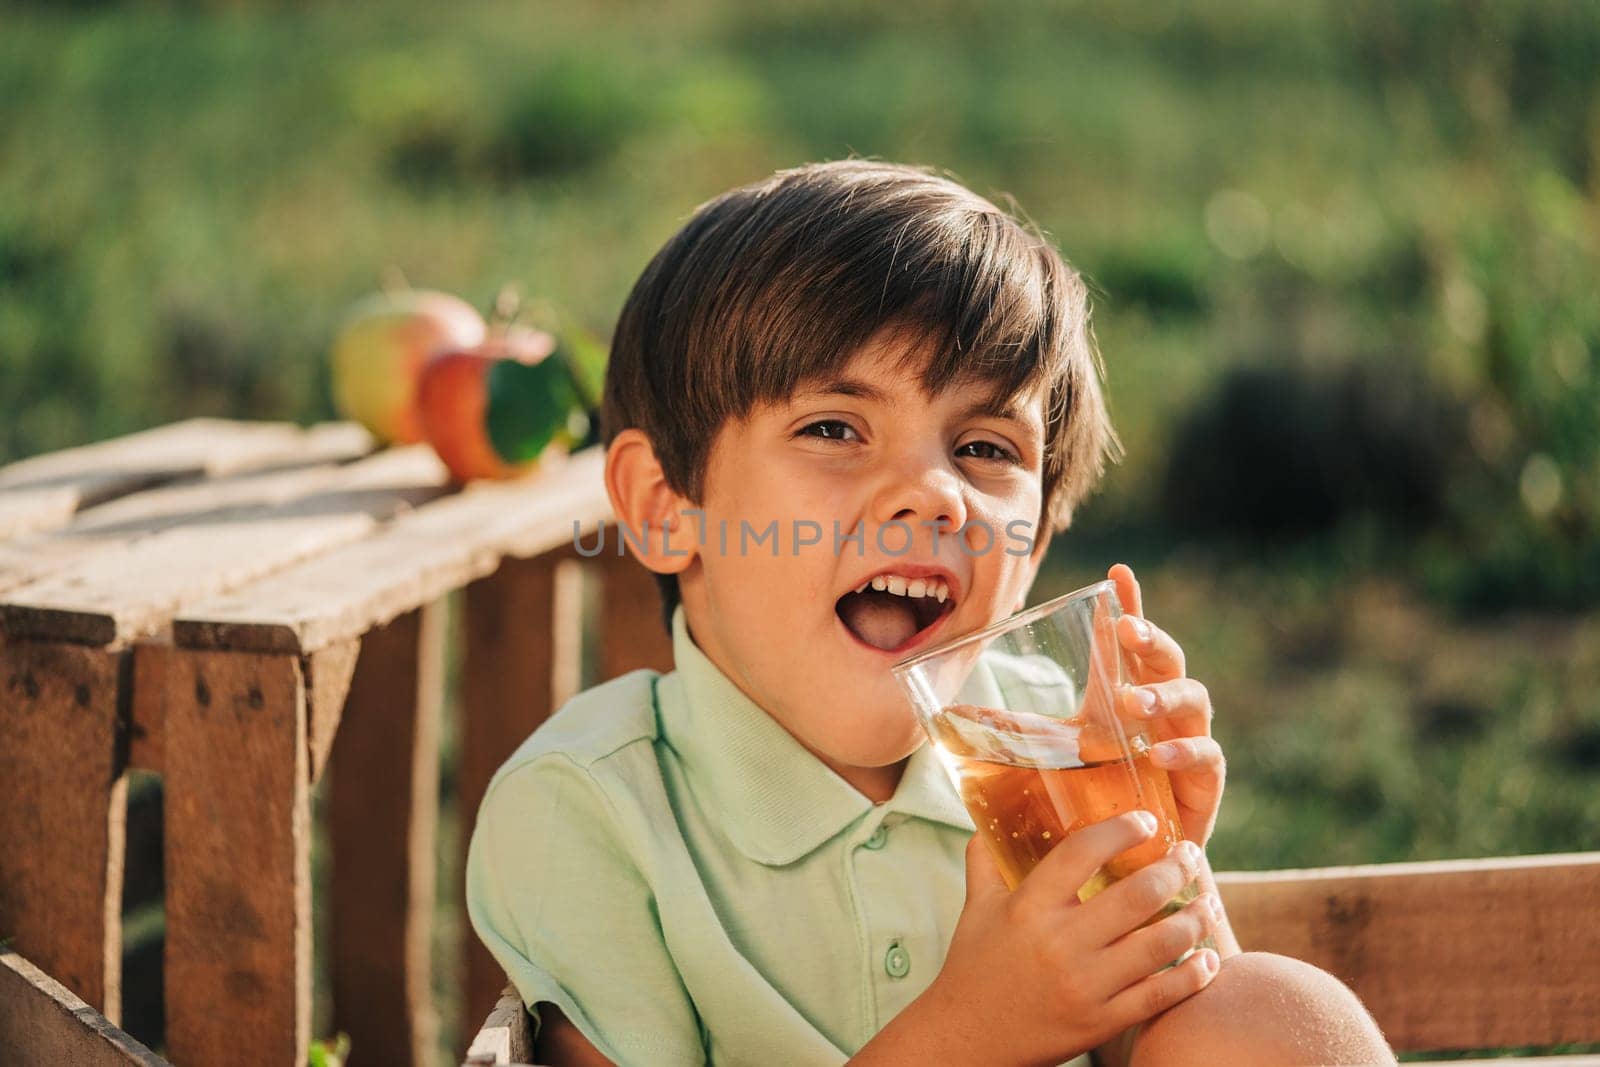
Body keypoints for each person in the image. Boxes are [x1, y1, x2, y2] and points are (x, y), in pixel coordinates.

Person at [466, 160, 1395, 1066]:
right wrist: (972, 1033)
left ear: (1030, 549)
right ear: (670, 506)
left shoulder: (1054, 751)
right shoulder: (587, 809)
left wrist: (1158, 883)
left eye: (985, 446)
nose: (934, 493)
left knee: (1279, 1010)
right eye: (834, 428)